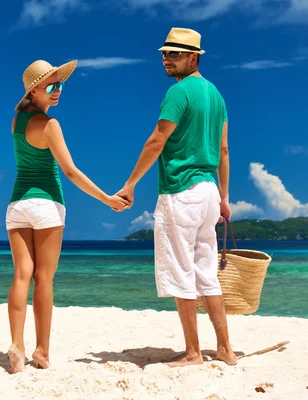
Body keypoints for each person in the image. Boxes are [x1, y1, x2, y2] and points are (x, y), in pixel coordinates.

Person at [116, 28, 237, 367]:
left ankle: (194, 353)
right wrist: (225, 197)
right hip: (209, 192)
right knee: (206, 273)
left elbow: (156, 141)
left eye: (174, 54)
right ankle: (225, 349)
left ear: (193, 57)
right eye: (164, 54)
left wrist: (130, 184)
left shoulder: (179, 92)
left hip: (181, 191)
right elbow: (224, 150)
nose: (166, 60)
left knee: (183, 273)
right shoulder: (216, 96)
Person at [6, 59, 129, 373]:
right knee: (44, 279)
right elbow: (70, 172)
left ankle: (16, 345)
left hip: (17, 206)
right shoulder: (50, 125)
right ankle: (42, 351)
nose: (57, 90)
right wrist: (107, 199)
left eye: (60, 84)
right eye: (51, 85)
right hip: (46, 205)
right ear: (34, 89)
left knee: (22, 275)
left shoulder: (16, 121)